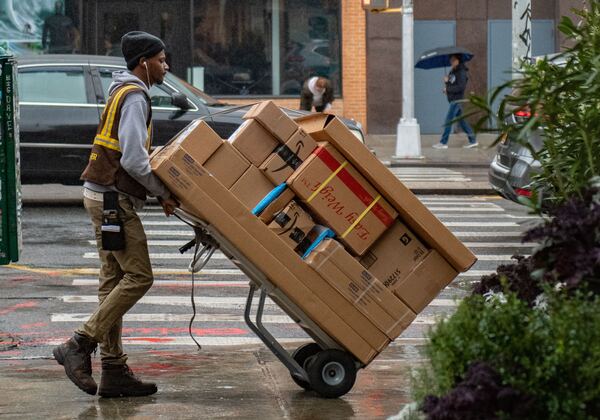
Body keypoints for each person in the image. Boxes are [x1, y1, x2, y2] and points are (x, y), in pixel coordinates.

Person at [53, 31, 178, 398]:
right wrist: (163, 193)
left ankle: (114, 370)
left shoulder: (120, 90)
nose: (165, 64)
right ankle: (80, 343)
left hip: (98, 195)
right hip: (113, 200)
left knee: (112, 282)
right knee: (139, 277)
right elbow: (135, 160)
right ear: (144, 62)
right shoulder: (136, 97)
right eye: (161, 58)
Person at [433, 54, 478, 149]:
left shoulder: (461, 72)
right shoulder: (453, 71)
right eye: (451, 60)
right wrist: (446, 82)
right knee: (462, 121)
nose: (451, 62)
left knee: (448, 120)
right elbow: (452, 84)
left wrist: (448, 89)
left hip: (457, 99)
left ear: (458, 60)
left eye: (453, 60)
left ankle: (443, 142)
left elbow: (460, 87)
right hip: (453, 99)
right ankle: (473, 140)